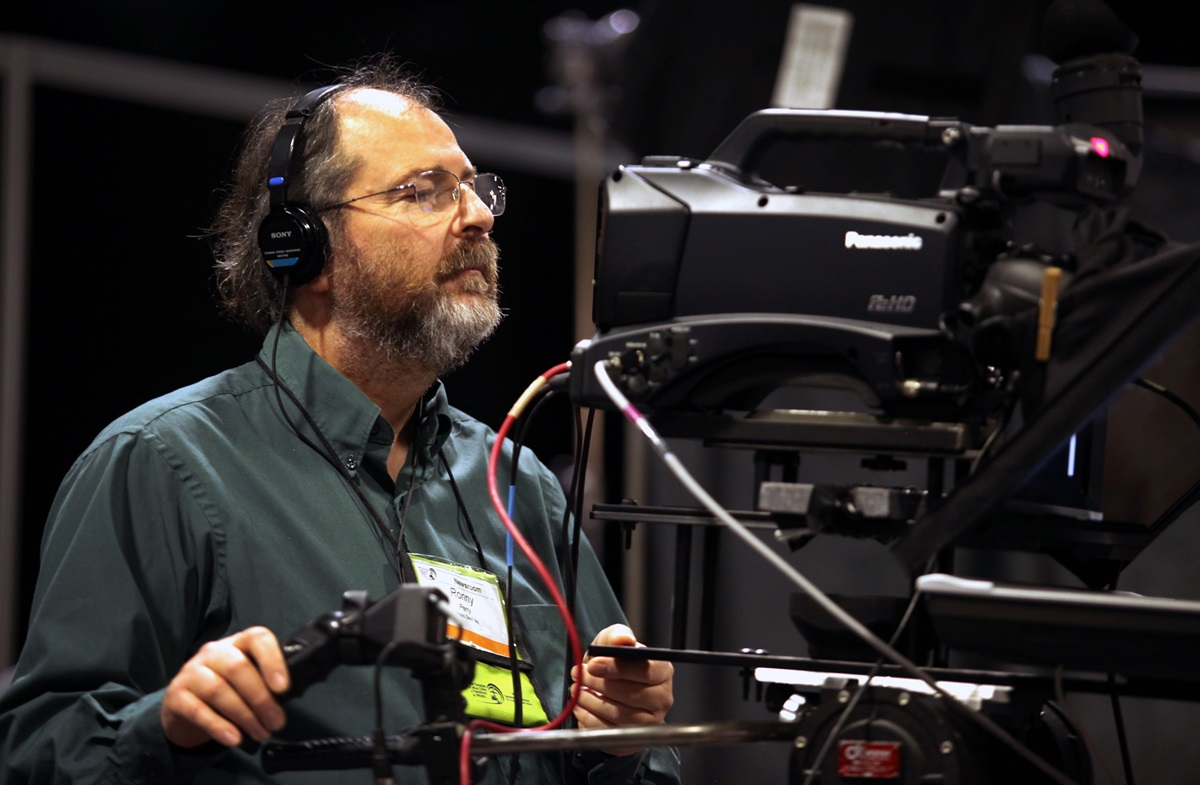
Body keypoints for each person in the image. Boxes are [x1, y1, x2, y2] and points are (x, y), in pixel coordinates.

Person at [0, 58, 679, 784]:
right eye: (424, 191)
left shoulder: (517, 484)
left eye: (474, 188)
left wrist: (616, 743)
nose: (479, 216)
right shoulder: (162, 462)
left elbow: (640, 759)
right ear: (306, 248)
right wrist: (163, 726)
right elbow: (40, 753)